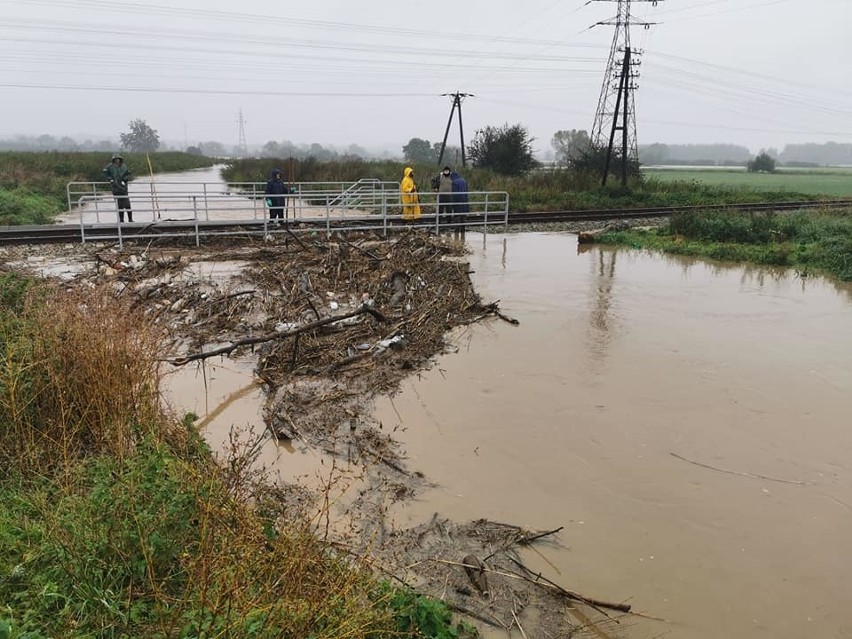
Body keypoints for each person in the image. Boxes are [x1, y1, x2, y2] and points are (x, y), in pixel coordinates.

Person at [103, 153, 132, 223]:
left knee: (128, 205)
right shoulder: (109, 167)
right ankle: (121, 220)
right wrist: (110, 179)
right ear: (113, 160)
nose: (117, 161)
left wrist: (125, 179)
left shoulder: (124, 166)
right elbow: (105, 173)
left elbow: (128, 174)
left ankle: (130, 219)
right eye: (115, 159)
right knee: (120, 206)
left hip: (124, 188)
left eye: (118, 159)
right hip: (115, 188)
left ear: (120, 160)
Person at [450, 170, 470, 238]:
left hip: (457, 204)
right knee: (463, 219)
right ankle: (463, 233)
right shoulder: (464, 180)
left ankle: (456, 235)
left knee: (457, 219)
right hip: (464, 202)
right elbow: (467, 192)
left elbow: (454, 195)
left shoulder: (454, 182)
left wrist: (452, 204)